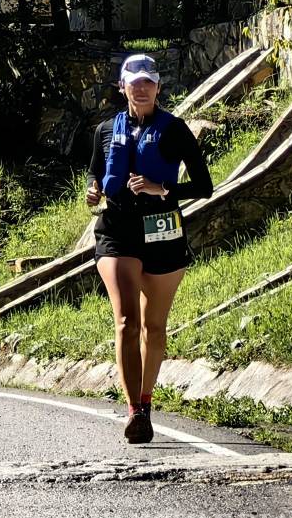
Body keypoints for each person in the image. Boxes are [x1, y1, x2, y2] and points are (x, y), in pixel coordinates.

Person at [85, 54, 212, 444]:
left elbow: (204, 186)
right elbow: (95, 170)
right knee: (127, 321)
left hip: (162, 230)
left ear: (158, 88)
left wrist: (164, 190)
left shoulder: (174, 129)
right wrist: (93, 190)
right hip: (118, 228)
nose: (141, 88)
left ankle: (147, 399)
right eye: (133, 81)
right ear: (122, 86)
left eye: (148, 82)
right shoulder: (106, 129)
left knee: (154, 326)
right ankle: (135, 412)